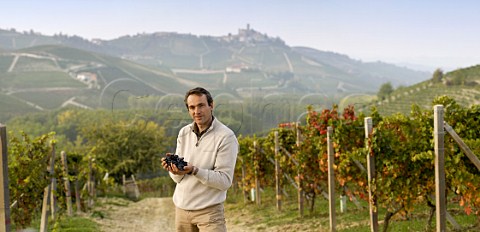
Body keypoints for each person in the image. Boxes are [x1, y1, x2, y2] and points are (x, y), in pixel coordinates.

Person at [162, 87, 239, 232]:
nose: (196, 111)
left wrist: (195, 170)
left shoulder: (226, 137)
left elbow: (224, 181)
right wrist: (174, 170)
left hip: (209, 214)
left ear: (211, 105)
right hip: (182, 212)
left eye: (201, 105)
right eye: (192, 107)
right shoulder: (184, 133)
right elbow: (178, 179)